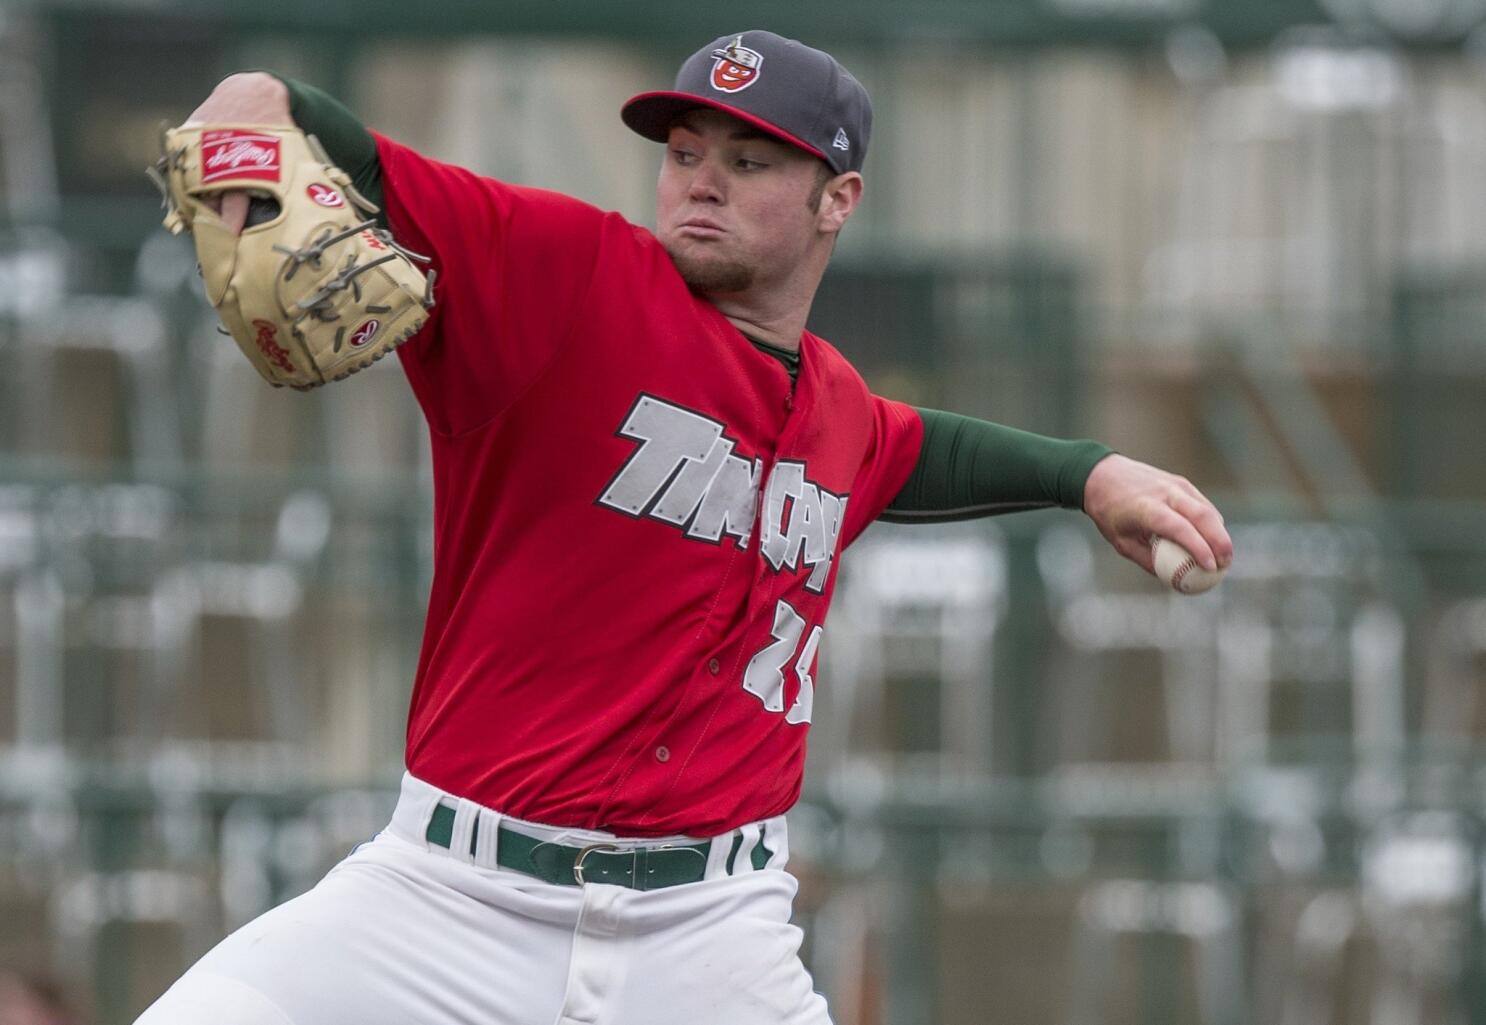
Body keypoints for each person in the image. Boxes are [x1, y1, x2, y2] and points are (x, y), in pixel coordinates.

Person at [136, 30, 1232, 1025]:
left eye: (749, 162)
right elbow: (290, 113)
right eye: (684, 151)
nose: (700, 182)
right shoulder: (562, 274)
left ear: (836, 199)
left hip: (710, 934)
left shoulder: (838, 409)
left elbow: (914, 449)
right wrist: (246, 110)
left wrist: (1088, 473)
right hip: (448, 901)